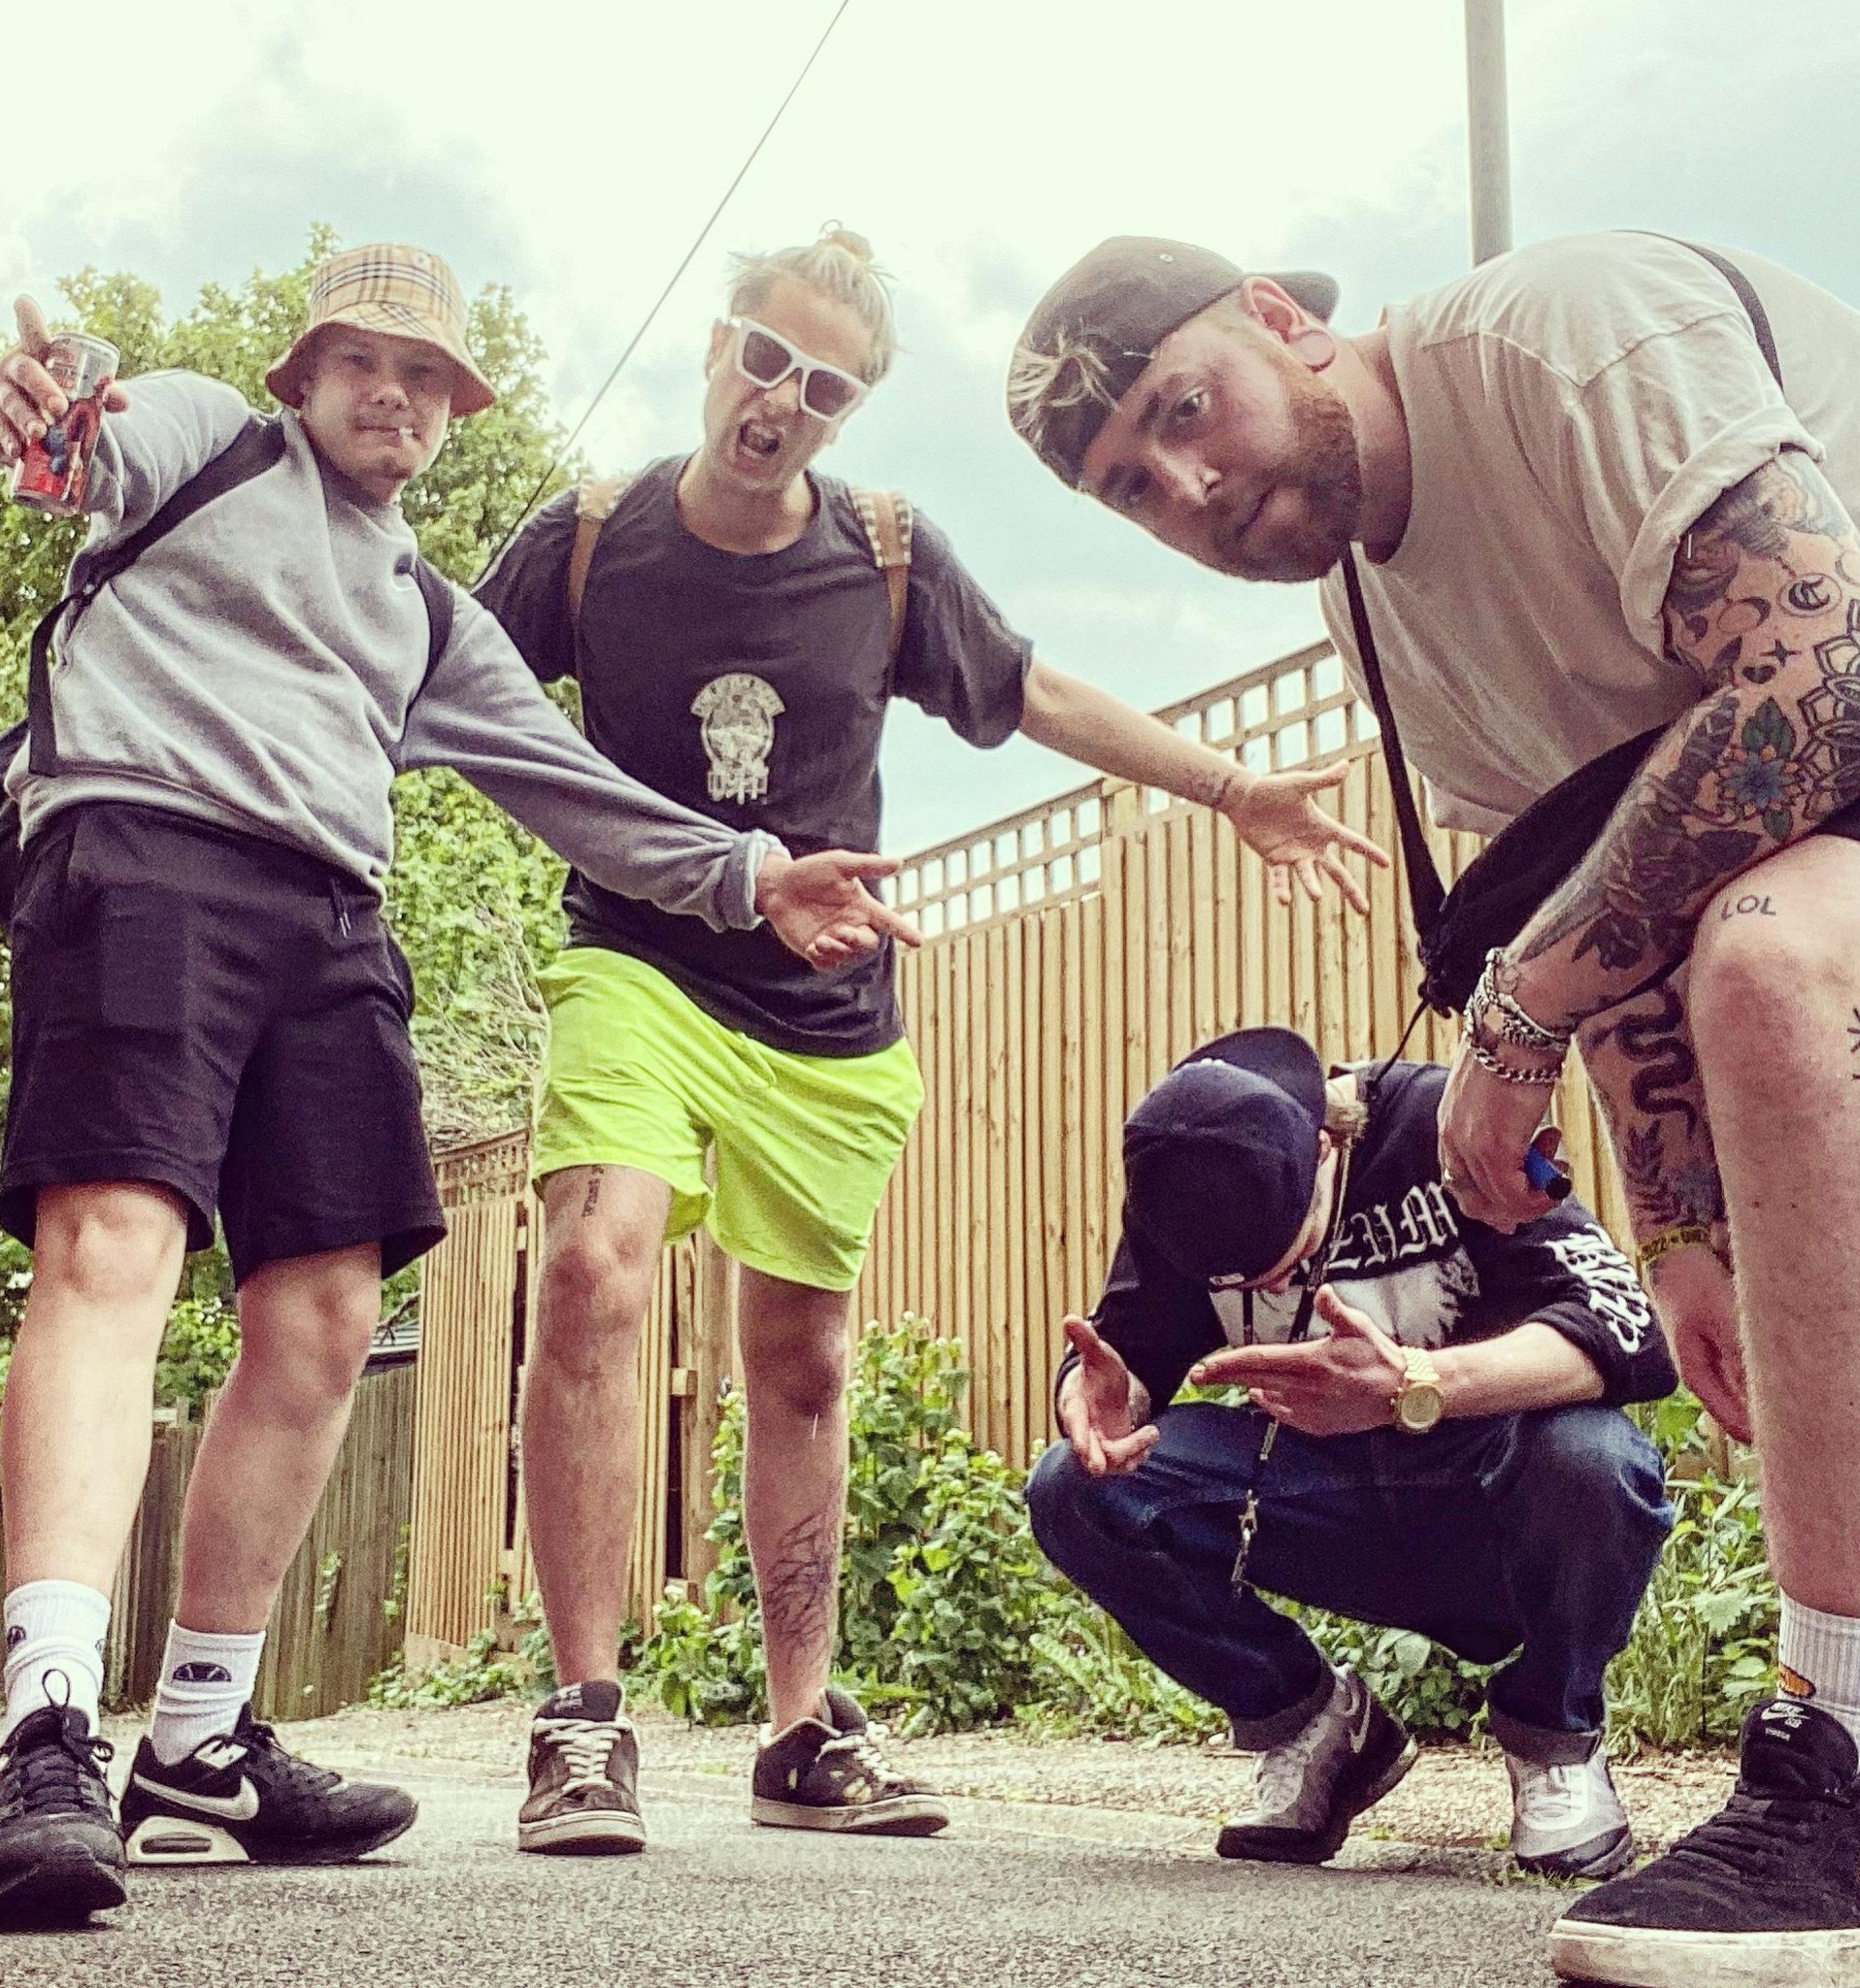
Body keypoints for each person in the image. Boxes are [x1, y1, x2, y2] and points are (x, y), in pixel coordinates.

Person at [0, 242, 912, 1931]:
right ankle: (45, 1727)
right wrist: (47, 415)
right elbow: (83, 446)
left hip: (331, 916)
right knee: (116, 1243)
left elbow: (569, 783)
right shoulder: (204, 435)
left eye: (428, 378)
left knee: (329, 1311)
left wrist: (754, 876)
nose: (395, 395)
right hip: (140, 853)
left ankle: (197, 1740)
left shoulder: (422, 610)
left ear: (453, 414)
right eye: (365, 362)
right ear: (303, 373)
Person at [1008, 229, 1860, 1985]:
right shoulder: (1373, 621)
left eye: (1184, 410)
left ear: (1281, 318)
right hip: (1796, 851)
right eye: (1130, 489)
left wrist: (1513, 1014)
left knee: (1767, 961)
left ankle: (1859, 1761)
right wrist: (1685, 1218)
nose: (1188, 486)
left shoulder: (1561, 336)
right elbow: (1611, 864)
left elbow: (1830, 684)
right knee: (1738, 952)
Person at [475, 224, 1388, 1855]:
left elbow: (1034, 692)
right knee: (593, 1266)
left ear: (851, 410)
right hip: (638, 957)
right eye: (766, 358)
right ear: (718, 345)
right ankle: (583, 1719)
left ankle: (799, 1725)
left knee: (804, 1361)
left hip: (829, 1009)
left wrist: (1231, 786)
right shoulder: (595, 537)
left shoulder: (885, 556)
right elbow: (441, 682)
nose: (781, 401)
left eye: (825, 388)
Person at [1026, 1025, 1675, 1876]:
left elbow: (1632, 1334)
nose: (1264, 1291)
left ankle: (1555, 1737)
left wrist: (1416, 1381)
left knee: (1597, 1461)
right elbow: (1126, 1349)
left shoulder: (1445, 1128)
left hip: (1491, 1486)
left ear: (1327, 1150)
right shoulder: (1187, 1175)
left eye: (1286, 1261)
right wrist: (1105, 1399)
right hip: (1323, 1499)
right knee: (1075, 1488)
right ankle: (1313, 1724)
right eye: (1235, 1286)